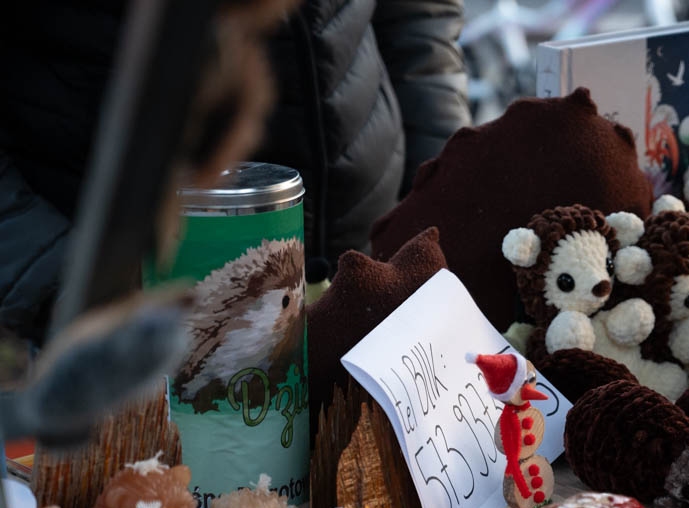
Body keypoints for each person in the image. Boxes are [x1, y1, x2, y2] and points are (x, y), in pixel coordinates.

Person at [0, 0, 470, 344]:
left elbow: (417, 21)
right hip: (113, 319)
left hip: (367, 263)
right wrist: (52, 276)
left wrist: (435, 190)